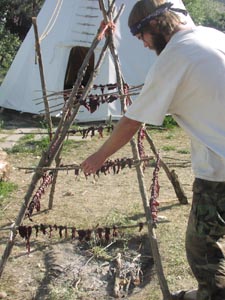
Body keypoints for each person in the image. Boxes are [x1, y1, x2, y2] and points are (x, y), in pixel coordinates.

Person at [81, 0, 225, 299]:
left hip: (220, 168)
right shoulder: (214, 36)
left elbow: (132, 121)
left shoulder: (176, 56)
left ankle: (211, 295)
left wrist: (98, 156)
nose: (144, 45)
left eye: (141, 37)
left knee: (202, 247)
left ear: (156, 25)